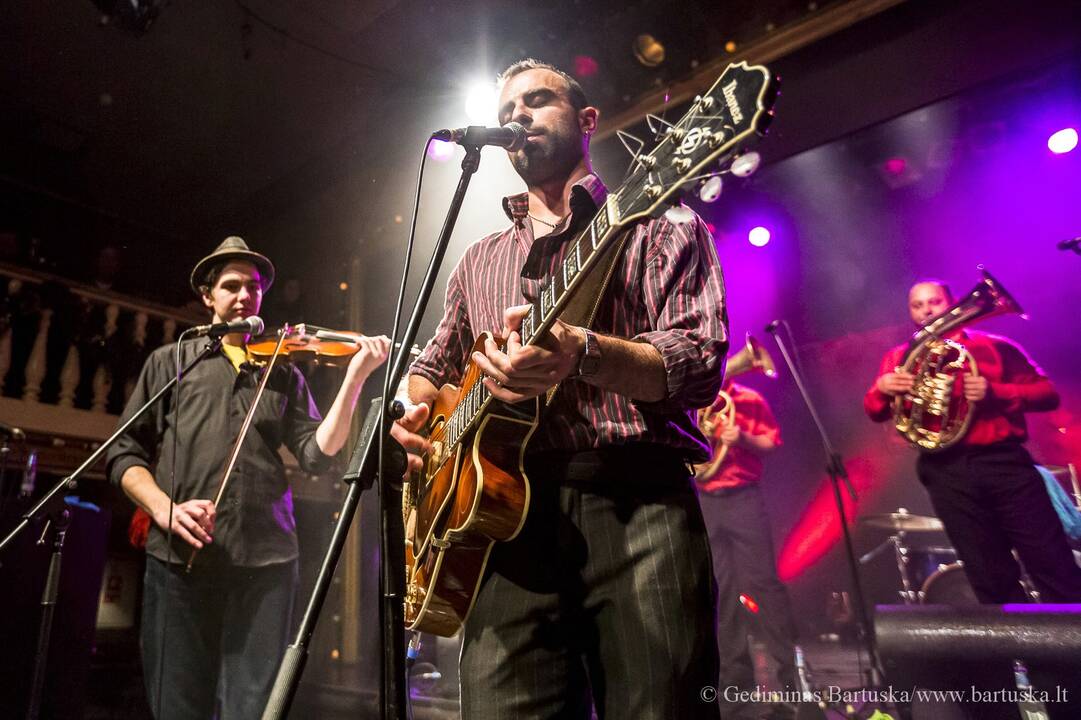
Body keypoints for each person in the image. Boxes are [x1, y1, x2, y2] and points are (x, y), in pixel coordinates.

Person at [391, 59, 728, 719]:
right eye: (508, 106)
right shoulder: (478, 259)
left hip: (634, 502)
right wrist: (415, 416)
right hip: (498, 523)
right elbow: (431, 365)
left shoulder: (659, 223)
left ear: (587, 121)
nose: (516, 115)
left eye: (538, 100)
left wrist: (584, 352)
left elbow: (696, 363)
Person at [105, 236, 390, 720]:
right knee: (176, 705)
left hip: (266, 564)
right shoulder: (173, 360)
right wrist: (164, 508)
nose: (244, 296)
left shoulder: (282, 370)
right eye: (231, 286)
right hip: (178, 562)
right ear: (208, 296)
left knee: (254, 708)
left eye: (253, 288)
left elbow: (319, 454)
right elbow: (123, 454)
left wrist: (356, 378)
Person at [864, 279, 1081, 604]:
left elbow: (1047, 394)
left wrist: (997, 392)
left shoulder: (995, 346)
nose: (926, 310)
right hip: (946, 471)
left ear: (951, 303)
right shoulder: (900, 357)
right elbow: (875, 411)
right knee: (988, 574)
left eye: (934, 302)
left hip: (1005, 464)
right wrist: (882, 388)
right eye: (918, 305)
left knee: (1053, 564)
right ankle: (1019, 654)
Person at [695, 378, 798, 717]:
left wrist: (742, 438)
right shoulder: (694, 401)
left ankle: (789, 678)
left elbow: (772, 440)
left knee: (764, 585)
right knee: (720, 593)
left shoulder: (748, 399)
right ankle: (734, 686)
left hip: (743, 498)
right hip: (706, 500)